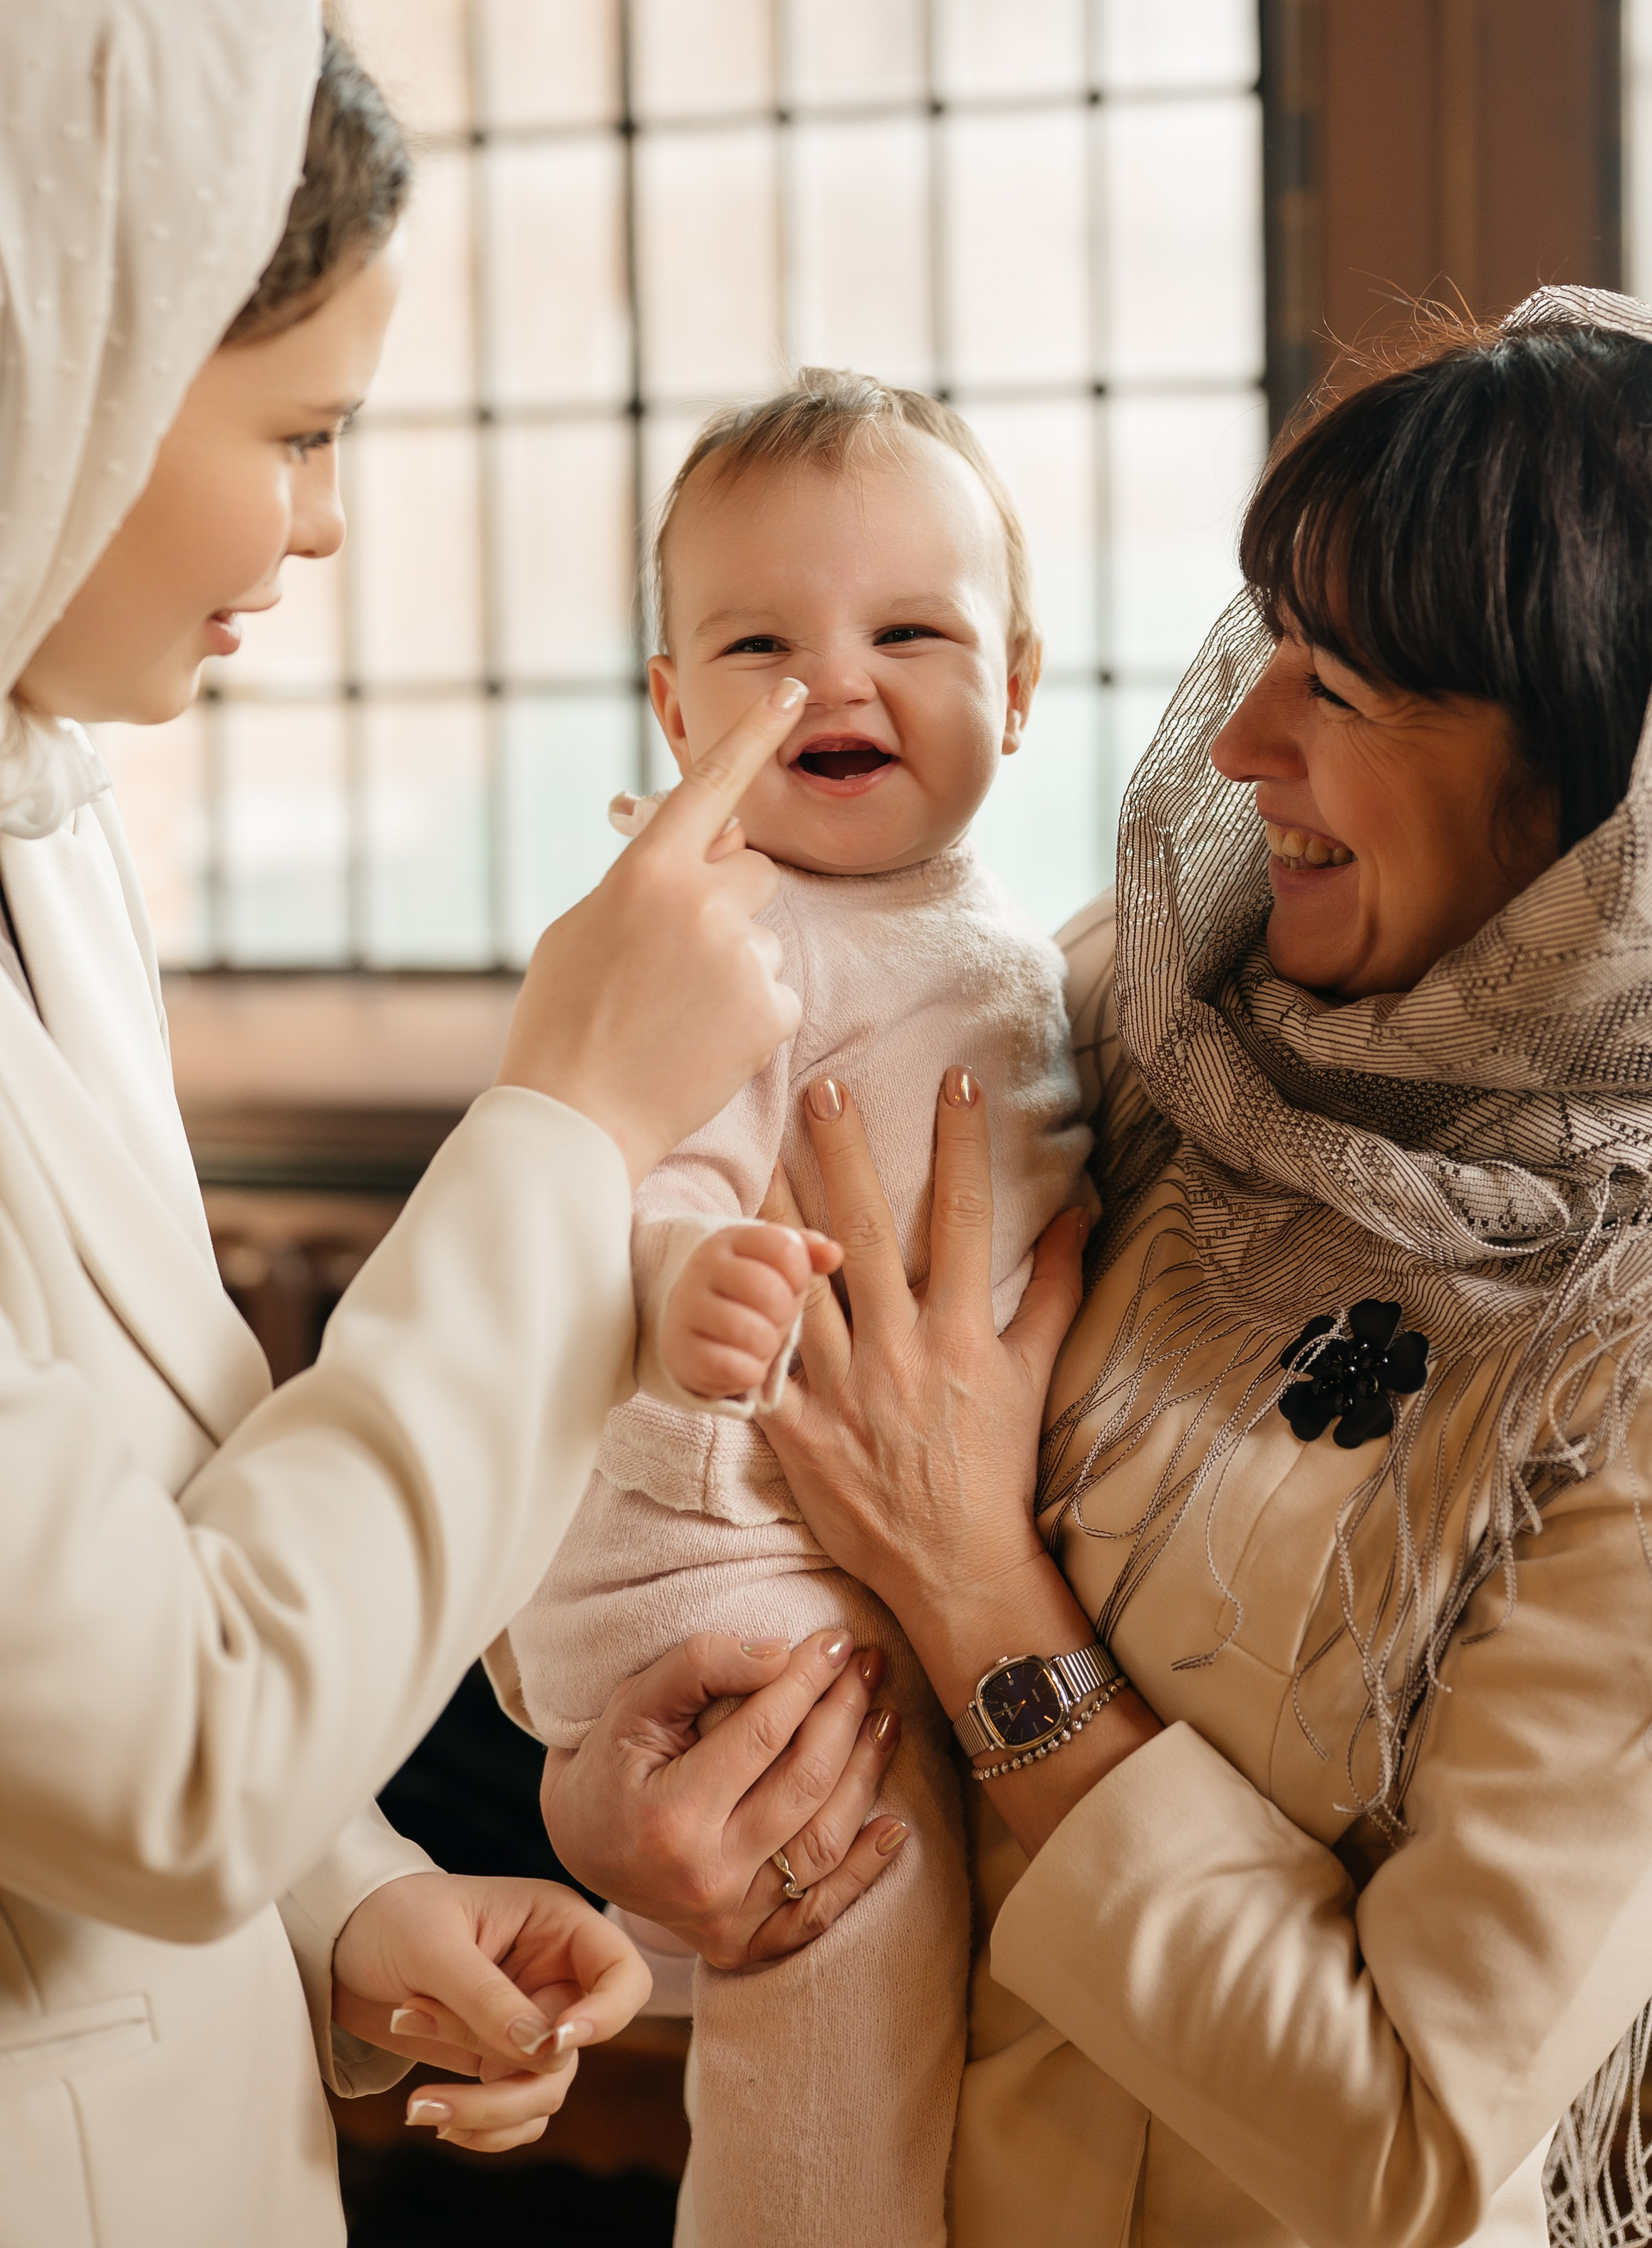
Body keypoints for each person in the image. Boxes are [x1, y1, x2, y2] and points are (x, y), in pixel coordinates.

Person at [547, 291, 1652, 2248]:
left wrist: (978, 1597)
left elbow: (1405, 2145)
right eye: (1270, 645)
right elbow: (662, 1474)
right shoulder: (1118, 1020)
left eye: (1349, 684)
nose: (1237, 737)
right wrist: (628, 1818)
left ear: (1599, 777)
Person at [0, 0, 905, 2248]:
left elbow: (122, 1536)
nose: (316, 532)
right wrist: (572, 1117)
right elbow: (160, 1741)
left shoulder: (39, 809)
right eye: (295, 431)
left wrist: (337, 1902)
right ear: (46, 355)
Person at [500, 371, 1092, 2248]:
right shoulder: (719, 928)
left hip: (877, 1546)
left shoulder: (1010, 931)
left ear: (1015, 682)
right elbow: (632, 1173)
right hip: (718, 1560)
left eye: (909, 631)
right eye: (762, 646)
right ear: (678, 713)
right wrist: (691, 1276)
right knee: (852, 1928)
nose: (836, 682)